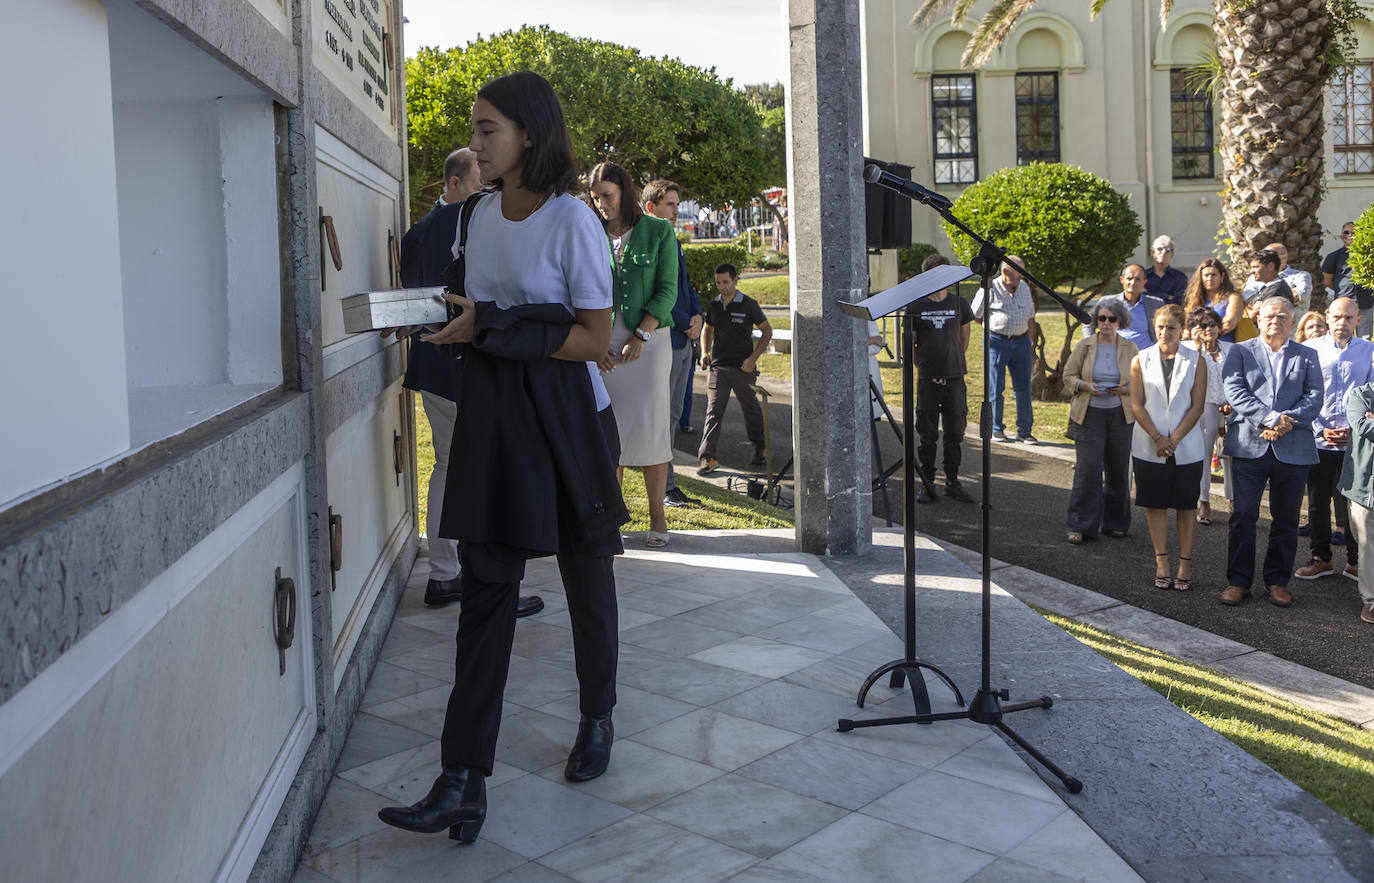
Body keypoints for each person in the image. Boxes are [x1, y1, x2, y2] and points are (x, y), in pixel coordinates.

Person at [376, 71, 628, 844]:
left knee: (587, 577)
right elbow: (477, 309)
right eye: (476, 130)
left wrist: (498, 328)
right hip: (494, 422)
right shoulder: (476, 215)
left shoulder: (571, 222)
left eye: (489, 129)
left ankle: (597, 716)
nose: (477, 143)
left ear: (529, 133)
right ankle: (462, 779)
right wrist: (446, 324)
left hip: (568, 424)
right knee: (485, 593)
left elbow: (595, 336)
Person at [393, 151, 546, 618]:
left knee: (447, 466)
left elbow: (412, 305)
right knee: (486, 472)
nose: (489, 183)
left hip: (435, 366)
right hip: (472, 364)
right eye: (481, 175)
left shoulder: (418, 231)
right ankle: (488, 583)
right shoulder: (484, 219)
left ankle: (445, 574)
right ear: (457, 183)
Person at [588, 161, 679, 548]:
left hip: (650, 340)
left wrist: (641, 334)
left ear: (624, 191)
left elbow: (667, 289)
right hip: (602, 343)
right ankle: (613, 517)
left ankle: (657, 517)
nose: (602, 205)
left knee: (652, 429)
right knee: (609, 433)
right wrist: (593, 346)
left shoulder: (658, 230)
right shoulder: (589, 233)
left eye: (606, 196)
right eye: (595, 199)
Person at [1220, 295, 1324, 607]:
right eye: (1269, 316)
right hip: (1249, 445)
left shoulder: (1307, 355)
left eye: (1282, 317)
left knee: (1287, 519)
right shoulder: (1240, 351)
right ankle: (1238, 582)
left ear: (1293, 322)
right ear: (1257, 320)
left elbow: (1315, 396)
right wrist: (1269, 418)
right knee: (1243, 514)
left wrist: (1285, 422)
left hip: (1292, 448)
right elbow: (1234, 390)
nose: (1275, 321)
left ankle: (1277, 581)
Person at [1130, 304, 1208, 590]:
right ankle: (1162, 560)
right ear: (1154, 326)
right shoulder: (1141, 359)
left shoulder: (1196, 360)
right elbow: (1137, 404)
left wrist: (1173, 439)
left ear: (1182, 329)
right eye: (1160, 326)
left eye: (1171, 327)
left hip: (1186, 445)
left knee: (1186, 506)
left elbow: (1198, 405)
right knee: (1155, 503)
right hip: (1149, 444)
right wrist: (1157, 438)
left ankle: (1185, 562)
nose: (1165, 332)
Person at [1294, 297, 1373, 582]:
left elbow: (1372, 395)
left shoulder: (1369, 352)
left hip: (1356, 442)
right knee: (1317, 501)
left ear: (1358, 320)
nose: (1342, 323)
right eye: (1337, 317)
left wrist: (1357, 428)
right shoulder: (1311, 349)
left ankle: (1355, 561)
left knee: (1354, 504)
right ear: (1327, 317)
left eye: (1348, 318)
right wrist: (1319, 429)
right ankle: (1321, 558)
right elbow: (1304, 392)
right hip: (1319, 439)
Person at [642, 179, 703, 509]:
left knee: (675, 414)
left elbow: (686, 286)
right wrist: (684, 321)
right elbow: (660, 292)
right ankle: (666, 488)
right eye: (670, 205)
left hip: (684, 341)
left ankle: (670, 482)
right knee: (661, 417)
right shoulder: (648, 240)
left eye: (678, 205)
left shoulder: (672, 240)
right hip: (666, 339)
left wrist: (698, 316)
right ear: (651, 207)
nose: (677, 211)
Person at [1063, 297, 1138, 544]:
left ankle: (1116, 523)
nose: (1105, 323)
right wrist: (1084, 385)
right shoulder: (1085, 345)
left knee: (1118, 470)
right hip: (1089, 413)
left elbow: (1141, 382)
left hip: (1120, 413)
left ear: (1120, 321)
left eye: (1111, 319)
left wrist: (1125, 389)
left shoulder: (1130, 348)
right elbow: (1068, 375)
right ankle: (1080, 525)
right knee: (1088, 469)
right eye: (1101, 318)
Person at [909, 253, 976, 503]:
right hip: (928, 381)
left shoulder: (960, 304)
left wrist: (952, 364)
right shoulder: (916, 307)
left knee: (955, 433)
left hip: (955, 379)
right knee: (927, 433)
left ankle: (952, 482)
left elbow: (964, 338)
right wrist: (927, 367)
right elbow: (912, 344)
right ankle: (927, 484)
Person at [697, 263, 772, 474]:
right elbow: (707, 328)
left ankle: (761, 448)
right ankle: (707, 457)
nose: (721, 286)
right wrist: (705, 352)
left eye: (725, 282)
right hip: (718, 368)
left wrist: (752, 358)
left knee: (751, 410)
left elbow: (767, 331)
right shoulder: (714, 305)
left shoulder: (749, 304)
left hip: (743, 369)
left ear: (735, 280)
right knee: (713, 412)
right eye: (718, 283)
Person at [972, 256, 1038, 443]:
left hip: (1021, 343)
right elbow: (975, 314)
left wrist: (1029, 340)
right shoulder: (989, 287)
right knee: (995, 388)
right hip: (997, 341)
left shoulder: (1024, 288)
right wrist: (989, 326)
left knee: (1024, 388)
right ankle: (996, 429)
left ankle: (1025, 431)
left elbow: (1031, 316)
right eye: (1020, 272)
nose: (1022, 277)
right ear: (1006, 272)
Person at [1183, 307, 1233, 525]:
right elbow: (1185, 379)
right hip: (1203, 406)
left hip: (1229, 407)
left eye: (1212, 324)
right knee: (1203, 453)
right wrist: (1196, 348)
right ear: (1194, 328)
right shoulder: (1188, 350)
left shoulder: (1231, 349)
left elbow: (1239, 378)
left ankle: (1233, 498)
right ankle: (1204, 500)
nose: (1209, 329)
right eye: (1203, 325)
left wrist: (1233, 403)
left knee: (1230, 454)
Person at [1337, 380, 1374, 622]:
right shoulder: (1360, 394)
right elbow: (1363, 426)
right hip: (1363, 486)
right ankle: (1371, 601)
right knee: (1367, 545)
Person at [1323, 222, 1374, 338]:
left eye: (1354, 232)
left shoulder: (1369, 257)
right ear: (1342, 236)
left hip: (1365, 303)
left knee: (1364, 338)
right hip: (1343, 303)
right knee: (1341, 336)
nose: (1350, 235)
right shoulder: (1333, 257)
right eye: (1346, 232)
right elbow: (1327, 280)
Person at [1093, 263, 1161, 347]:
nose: (1133, 282)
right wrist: (1094, 344)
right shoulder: (1107, 302)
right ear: (1122, 280)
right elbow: (1088, 324)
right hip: (1114, 354)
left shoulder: (1156, 304)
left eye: (1138, 279)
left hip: (1144, 356)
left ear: (1144, 282)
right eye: (1129, 278)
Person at [1183, 258, 1245, 342]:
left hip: (1225, 346)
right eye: (1206, 275)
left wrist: (1207, 337)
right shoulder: (1194, 299)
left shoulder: (1233, 297)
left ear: (1222, 276)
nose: (1209, 278)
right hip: (1199, 347)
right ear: (1200, 278)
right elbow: (1187, 325)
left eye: (1213, 275)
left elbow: (1229, 324)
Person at [1241, 243, 1312, 313]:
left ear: (1284, 256)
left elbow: (1297, 296)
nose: (1252, 271)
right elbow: (1246, 301)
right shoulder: (1254, 277)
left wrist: (1263, 302)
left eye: (1270, 255)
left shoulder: (1300, 276)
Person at [1145, 234, 1189, 305]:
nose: (1163, 252)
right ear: (1152, 252)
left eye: (1168, 250)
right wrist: (1167, 297)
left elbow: (1178, 301)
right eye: (1160, 249)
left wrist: (1149, 295)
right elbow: (1140, 298)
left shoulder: (1180, 277)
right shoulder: (1143, 276)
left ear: (1172, 254)